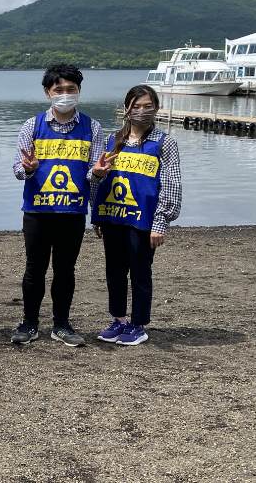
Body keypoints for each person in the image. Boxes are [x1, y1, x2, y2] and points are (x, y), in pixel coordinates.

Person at [10, 63, 111, 347]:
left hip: (72, 212)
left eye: (70, 89)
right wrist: (28, 168)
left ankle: (62, 324)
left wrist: (100, 173)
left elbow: (92, 173)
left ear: (79, 91)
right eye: (58, 90)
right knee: (34, 269)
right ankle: (29, 322)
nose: (64, 94)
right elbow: (18, 170)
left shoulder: (92, 126)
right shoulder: (32, 125)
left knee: (65, 270)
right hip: (37, 212)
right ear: (47, 93)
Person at [91, 84, 181, 346]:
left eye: (147, 106)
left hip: (143, 221)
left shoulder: (164, 143)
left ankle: (138, 324)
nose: (141, 112)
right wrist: (96, 215)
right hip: (112, 217)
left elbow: (172, 184)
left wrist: (161, 222)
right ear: (126, 108)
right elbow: (97, 180)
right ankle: (119, 320)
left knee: (140, 272)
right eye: (136, 106)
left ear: (156, 109)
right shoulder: (112, 140)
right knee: (114, 272)